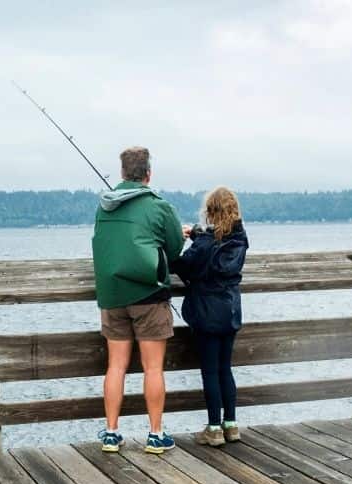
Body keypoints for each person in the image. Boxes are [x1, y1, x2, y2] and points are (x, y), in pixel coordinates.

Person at [91, 146, 186, 453]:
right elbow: (173, 251)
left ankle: (110, 432)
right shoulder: (159, 207)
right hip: (149, 294)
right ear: (148, 173)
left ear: (121, 173)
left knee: (115, 366)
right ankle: (155, 434)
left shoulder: (104, 207)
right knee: (153, 368)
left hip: (112, 295)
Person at [173, 186, 248, 446]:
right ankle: (231, 424)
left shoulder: (204, 244)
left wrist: (180, 240)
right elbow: (215, 243)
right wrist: (195, 233)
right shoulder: (240, 239)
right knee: (225, 368)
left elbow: (182, 264)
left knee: (210, 372)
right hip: (230, 311)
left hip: (206, 313)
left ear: (210, 212)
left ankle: (214, 428)